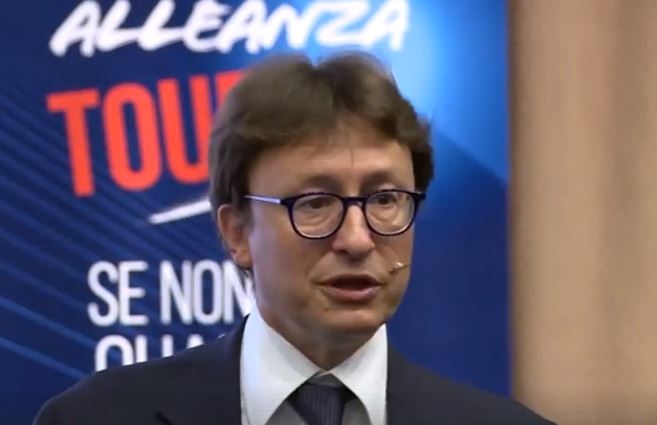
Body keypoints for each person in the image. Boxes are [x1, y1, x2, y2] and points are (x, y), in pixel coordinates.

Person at [35, 53, 554, 425]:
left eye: (384, 199)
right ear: (237, 232)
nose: (357, 239)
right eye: (316, 203)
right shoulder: (93, 417)